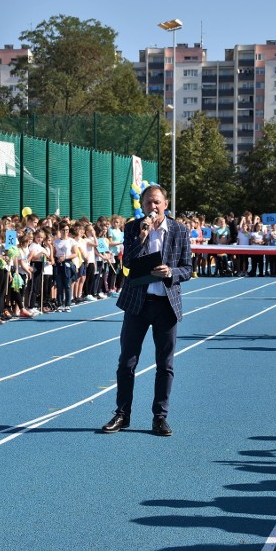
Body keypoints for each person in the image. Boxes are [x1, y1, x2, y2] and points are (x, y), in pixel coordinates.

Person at [102, 184, 192, 437]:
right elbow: (128, 263)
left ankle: (160, 417)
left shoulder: (179, 230)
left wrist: (171, 272)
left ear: (165, 204)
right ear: (142, 206)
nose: (153, 207)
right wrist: (142, 238)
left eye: (157, 202)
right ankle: (122, 413)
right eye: (148, 203)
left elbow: (187, 267)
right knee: (126, 362)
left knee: (165, 364)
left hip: (166, 305)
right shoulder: (132, 228)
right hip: (137, 304)